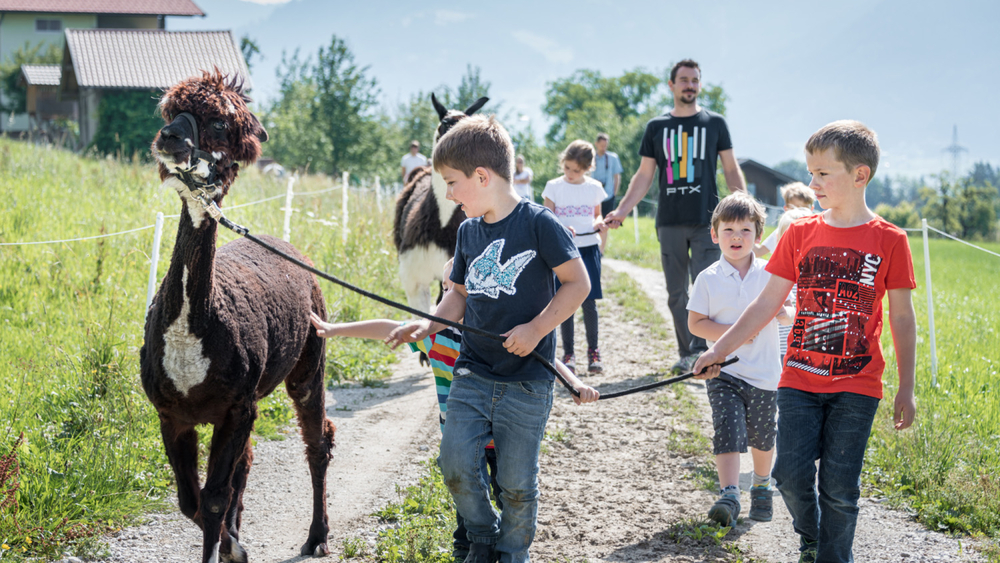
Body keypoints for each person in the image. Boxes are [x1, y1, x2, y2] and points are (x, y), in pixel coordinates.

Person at [693, 120, 917, 563]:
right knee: (791, 476)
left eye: (822, 173)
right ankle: (812, 537)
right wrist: (718, 350)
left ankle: (833, 557)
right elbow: (763, 305)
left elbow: (902, 317)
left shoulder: (891, 240)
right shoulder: (800, 233)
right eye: (810, 172)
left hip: (858, 384)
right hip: (798, 379)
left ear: (859, 175)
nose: (812, 183)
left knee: (839, 487)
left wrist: (906, 387)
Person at [389, 114, 592, 563]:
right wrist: (428, 325)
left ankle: (512, 551)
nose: (448, 194)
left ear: (482, 177)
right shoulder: (467, 231)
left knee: (517, 484)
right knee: (456, 466)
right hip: (473, 373)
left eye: (452, 182)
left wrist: (537, 328)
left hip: (527, 382)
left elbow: (578, 284)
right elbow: (457, 296)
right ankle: (482, 536)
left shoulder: (540, 224)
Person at [309, 258, 598, 561]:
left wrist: (575, 384)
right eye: (446, 288)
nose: (451, 295)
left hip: (504, 438)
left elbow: (546, 356)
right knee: (465, 493)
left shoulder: (498, 334)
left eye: (461, 289)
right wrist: (335, 329)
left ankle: (509, 546)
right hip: (463, 436)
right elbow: (391, 327)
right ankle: (469, 546)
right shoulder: (433, 336)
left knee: (510, 493)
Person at [604, 59, 747, 375]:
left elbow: (730, 167)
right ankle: (687, 353)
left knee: (708, 288)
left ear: (700, 85)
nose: (689, 85)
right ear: (671, 85)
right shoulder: (657, 127)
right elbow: (643, 175)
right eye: (683, 80)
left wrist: (745, 205)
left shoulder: (715, 123)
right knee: (676, 292)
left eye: (694, 80)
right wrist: (622, 210)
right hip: (668, 221)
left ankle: (710, 351)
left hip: (707, 221)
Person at [687, 192, 792, 526]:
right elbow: (696, 323)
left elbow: (789, 311)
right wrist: (733, 332)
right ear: (714, 234)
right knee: (727, 428)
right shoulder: (708, 278)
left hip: (764, 373)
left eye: (745, 230)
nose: (736, 236)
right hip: (723, 373)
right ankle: (729, 493)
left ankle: (761, 484)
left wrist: (783, 313)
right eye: (728, 229)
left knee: (763, 436)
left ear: (759, 237)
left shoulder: (770, 274)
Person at [541, 140, 608, 374]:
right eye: (567, 168)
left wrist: (599, 223)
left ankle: (594, 352)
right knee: (565, 301)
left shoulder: (594, 187)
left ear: (588, 168)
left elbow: (597, 215)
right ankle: (568, 354)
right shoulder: (553, 186)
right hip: (563, 252)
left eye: (576, 170)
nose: (570, 174)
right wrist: (560, 230)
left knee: (589, 303)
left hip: (588, 247)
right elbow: (546, 217)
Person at [768, 206, 815, 360]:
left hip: (807, 349)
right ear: (778, 240)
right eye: (789, 238)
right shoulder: (772, 275)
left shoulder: (817, 277)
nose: (796, 245)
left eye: (805, 238)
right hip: (777, 348)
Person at [753, 182, 816, 258]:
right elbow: (758, 252)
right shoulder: (782, 231)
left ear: (812, 209)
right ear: (786, 209)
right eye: (793, 208)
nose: (798, 212)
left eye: (803, 208)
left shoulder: (816, 231)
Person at [591, 133, 624, 253]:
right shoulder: (590, 157)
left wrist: (614, 193)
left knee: (605, 224)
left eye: (605, 145)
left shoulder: (612, 158)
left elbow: (617, 176)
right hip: (592, 196)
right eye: (601, 145)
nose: (603, 147)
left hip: (608, 195)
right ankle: (592, 247)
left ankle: (601, 251)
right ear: (596, 144)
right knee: (592, 222)